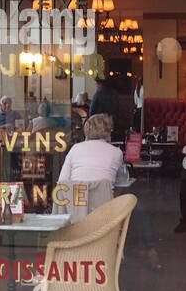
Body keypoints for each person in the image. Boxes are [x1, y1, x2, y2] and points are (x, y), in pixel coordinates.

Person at [57, 113, 162, 270]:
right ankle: (149, 250)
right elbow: (120, 181)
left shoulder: (74, 150)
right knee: (137, 207)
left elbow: (63, 183)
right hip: (104, 214)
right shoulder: (116, 152)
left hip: (76, 213)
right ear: (108, 131)